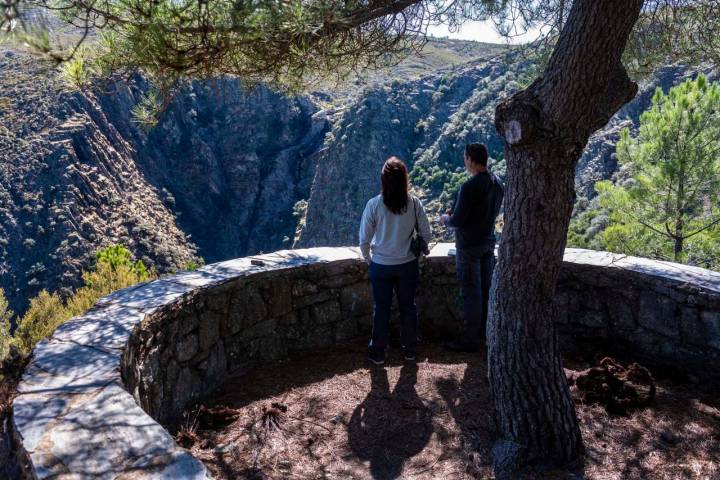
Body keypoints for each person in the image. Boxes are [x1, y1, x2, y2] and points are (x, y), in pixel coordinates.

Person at [359, 157, 432, 365]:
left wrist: (369, 260)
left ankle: (378, 352)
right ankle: (409, 350)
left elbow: (364, 239)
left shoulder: (374, 205)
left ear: (383, 180)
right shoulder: (414, 204)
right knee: (408, 307)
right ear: (404, 179)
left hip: (381, 265)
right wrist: (416, 254)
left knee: (381, 309)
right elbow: (426, 234)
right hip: (407, 265)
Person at [440, 143, 504, 352]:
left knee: (471, 293)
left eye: (465, 157)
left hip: (469, 247)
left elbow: (458, 220)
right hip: (488, 243)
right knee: (486, 292)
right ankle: (487, 335)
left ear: (470, 159)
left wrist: (445, 219)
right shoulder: (498, 184)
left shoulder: (469, 187)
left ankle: (469, 340)